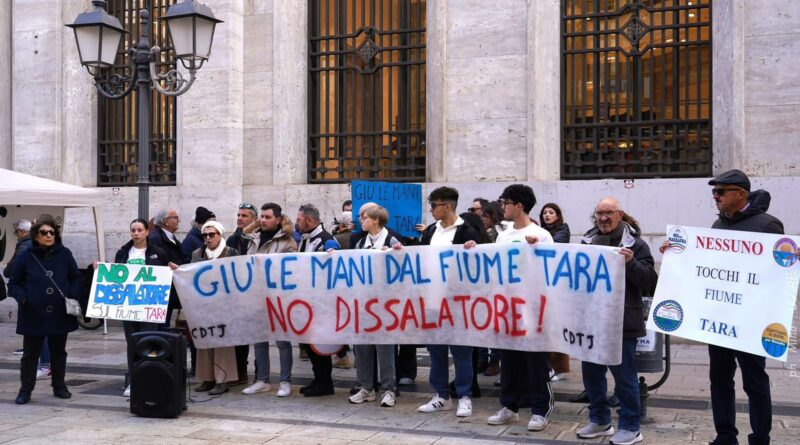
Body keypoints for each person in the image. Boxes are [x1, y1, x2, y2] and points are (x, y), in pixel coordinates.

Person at [660, 169, 781, 445]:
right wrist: (676, 253)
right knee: (720, 380)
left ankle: (760, 438)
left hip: (750, 319)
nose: (715, 196)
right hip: (719, 318)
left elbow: (776, 271)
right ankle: (725, 435)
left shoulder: (768, 224)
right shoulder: (718, 226)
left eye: (721, 192)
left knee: (755, 382)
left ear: (740, 193)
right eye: (714, 192)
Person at [575, 197, 657, 445]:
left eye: (608, 213)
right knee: (592, 375)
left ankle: (631, 426)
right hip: (592, 321)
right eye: (599, 213)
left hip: (622, 323)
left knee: (624, 377)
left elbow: (649, 281)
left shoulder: (637, 245)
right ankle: (600, 420)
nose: (603, 218)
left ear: (619, 215)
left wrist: (630, 262)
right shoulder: (587, 242)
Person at [482, 184, 555, 432]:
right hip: (507, 308)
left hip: (533, 309)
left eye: (506, 203)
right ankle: (510, 407)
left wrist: (536, 251)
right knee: (509, 360)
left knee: (535, 361)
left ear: (519, 206)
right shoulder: (503, 235)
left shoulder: (541, 235)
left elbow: (551, 270)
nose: (502, 207)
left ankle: (539, 410)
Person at [416, 186, 480, 417]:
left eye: (434, 205)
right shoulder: (430, 231)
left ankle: (464, 395)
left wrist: (475, 251)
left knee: (462, 351)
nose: (431, 209)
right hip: (433, 300)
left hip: (458, 303)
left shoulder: (468, 230)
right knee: (436, 350)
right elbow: (420, 259)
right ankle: (441, 395)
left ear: (448, 206)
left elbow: (478, 266)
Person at [7, 216, 82, 404]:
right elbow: (14, 283)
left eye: (52, 232)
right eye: (44, 232)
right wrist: (24, 298)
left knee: (59, 352)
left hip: (59, 312)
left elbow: (76, 277)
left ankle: (59, 386)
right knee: (30, 354)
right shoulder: (26, 255)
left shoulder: (65, 253)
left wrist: (70, 294)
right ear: (36, 235)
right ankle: (25, 390)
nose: (48, 235)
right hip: (33, 313)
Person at [98, 218, 171, 397]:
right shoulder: (123, 252)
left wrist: (171, 269)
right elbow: (115, 275)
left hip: (148, 308)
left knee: (149, 342)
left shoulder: (158, 253)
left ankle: (149, 379)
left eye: (139, 230)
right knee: (132, 344)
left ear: (147, 231)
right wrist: (100, 269)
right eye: (133, 230)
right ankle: (133, 380)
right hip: (128, 307)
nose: (136, 233)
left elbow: (165, 276)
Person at [346, 204, 401, 407]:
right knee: (363, 346)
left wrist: (397, 253)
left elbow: (403, 265)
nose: (361, 220)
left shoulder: (392, 240)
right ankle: (366, 387)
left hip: (386, 305)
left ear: (376, 220)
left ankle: (388, 389)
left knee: (385, 347)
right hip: (363, 303)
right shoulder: (360, 242)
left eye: (365, 217)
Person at [241, 203, 297, 398]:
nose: (264, 220)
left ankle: (285, 381)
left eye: (268, 217)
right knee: (259, 340)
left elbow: (292, 272)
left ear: (278, 219)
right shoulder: (252, 239)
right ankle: (262, 380)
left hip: (279, 298)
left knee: (282, 341)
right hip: (256, 297)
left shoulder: (288, 242)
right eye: (262, 217)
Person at [296, 203, 340, 397]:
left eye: (299, 220)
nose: (297, 223)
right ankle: (318, 379)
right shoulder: (304, 239)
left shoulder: (327, 241)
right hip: (306, 301)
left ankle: (325, 382)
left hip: (320, 303)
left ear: (309, 220)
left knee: (319, 344)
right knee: (308, 344)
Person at [191, 221, 240, 395]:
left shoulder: (231, 252)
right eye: (205, 235)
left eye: (212, 234)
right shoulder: (197, 253)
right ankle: (208, 378)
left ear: (220, 235)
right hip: (204, 305)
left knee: (223, 344)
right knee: (205, 342)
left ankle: (223, 379)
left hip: (224, 305)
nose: (208, 238)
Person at [226, 202, 258, 384]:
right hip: (238, 295)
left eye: (244, 216)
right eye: (238, 215)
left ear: (254, 219)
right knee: (239, 335)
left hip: (256, 293)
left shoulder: (258, 237)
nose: (240, 218)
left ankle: (261, 374)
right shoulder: (232, 240)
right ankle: (240, 371)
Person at [539, 203, 571, 380]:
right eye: (544, 213)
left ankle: (558, 368)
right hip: (544, 284)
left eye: (551, 212)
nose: (547, 215)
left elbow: (553, 247)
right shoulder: (540, 231)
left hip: (557, 285)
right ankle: (549, 366)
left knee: (556, 327)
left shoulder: (562, 231)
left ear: (558, 215)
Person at [4, 220, 32, 357]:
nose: (16, 235)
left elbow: (13, 268)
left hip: (25, 288)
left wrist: (7, 271)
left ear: (22, 231)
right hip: (31, 287)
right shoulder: (34, 243)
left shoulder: (24, 246)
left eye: (16, 232)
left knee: (28, 320)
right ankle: (30, 347)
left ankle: (30, 348)